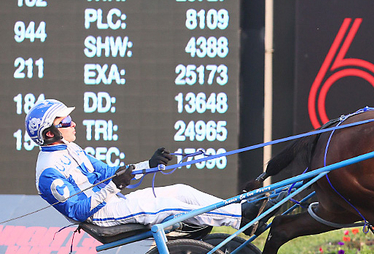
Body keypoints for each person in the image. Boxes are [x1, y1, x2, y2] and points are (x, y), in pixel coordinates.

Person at [26, 99, 264, 232]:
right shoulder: (48, 172)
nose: (73, 123)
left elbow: (109, 173)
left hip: (114, 202)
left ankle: (240, 211)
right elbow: (76, 212)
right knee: (168, 205)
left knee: (182, 190)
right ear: (49, 133)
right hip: (102, 216)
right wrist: (112, 187)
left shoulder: (70, 147)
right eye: (66, 121)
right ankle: (241, 219)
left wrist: (147, 165)